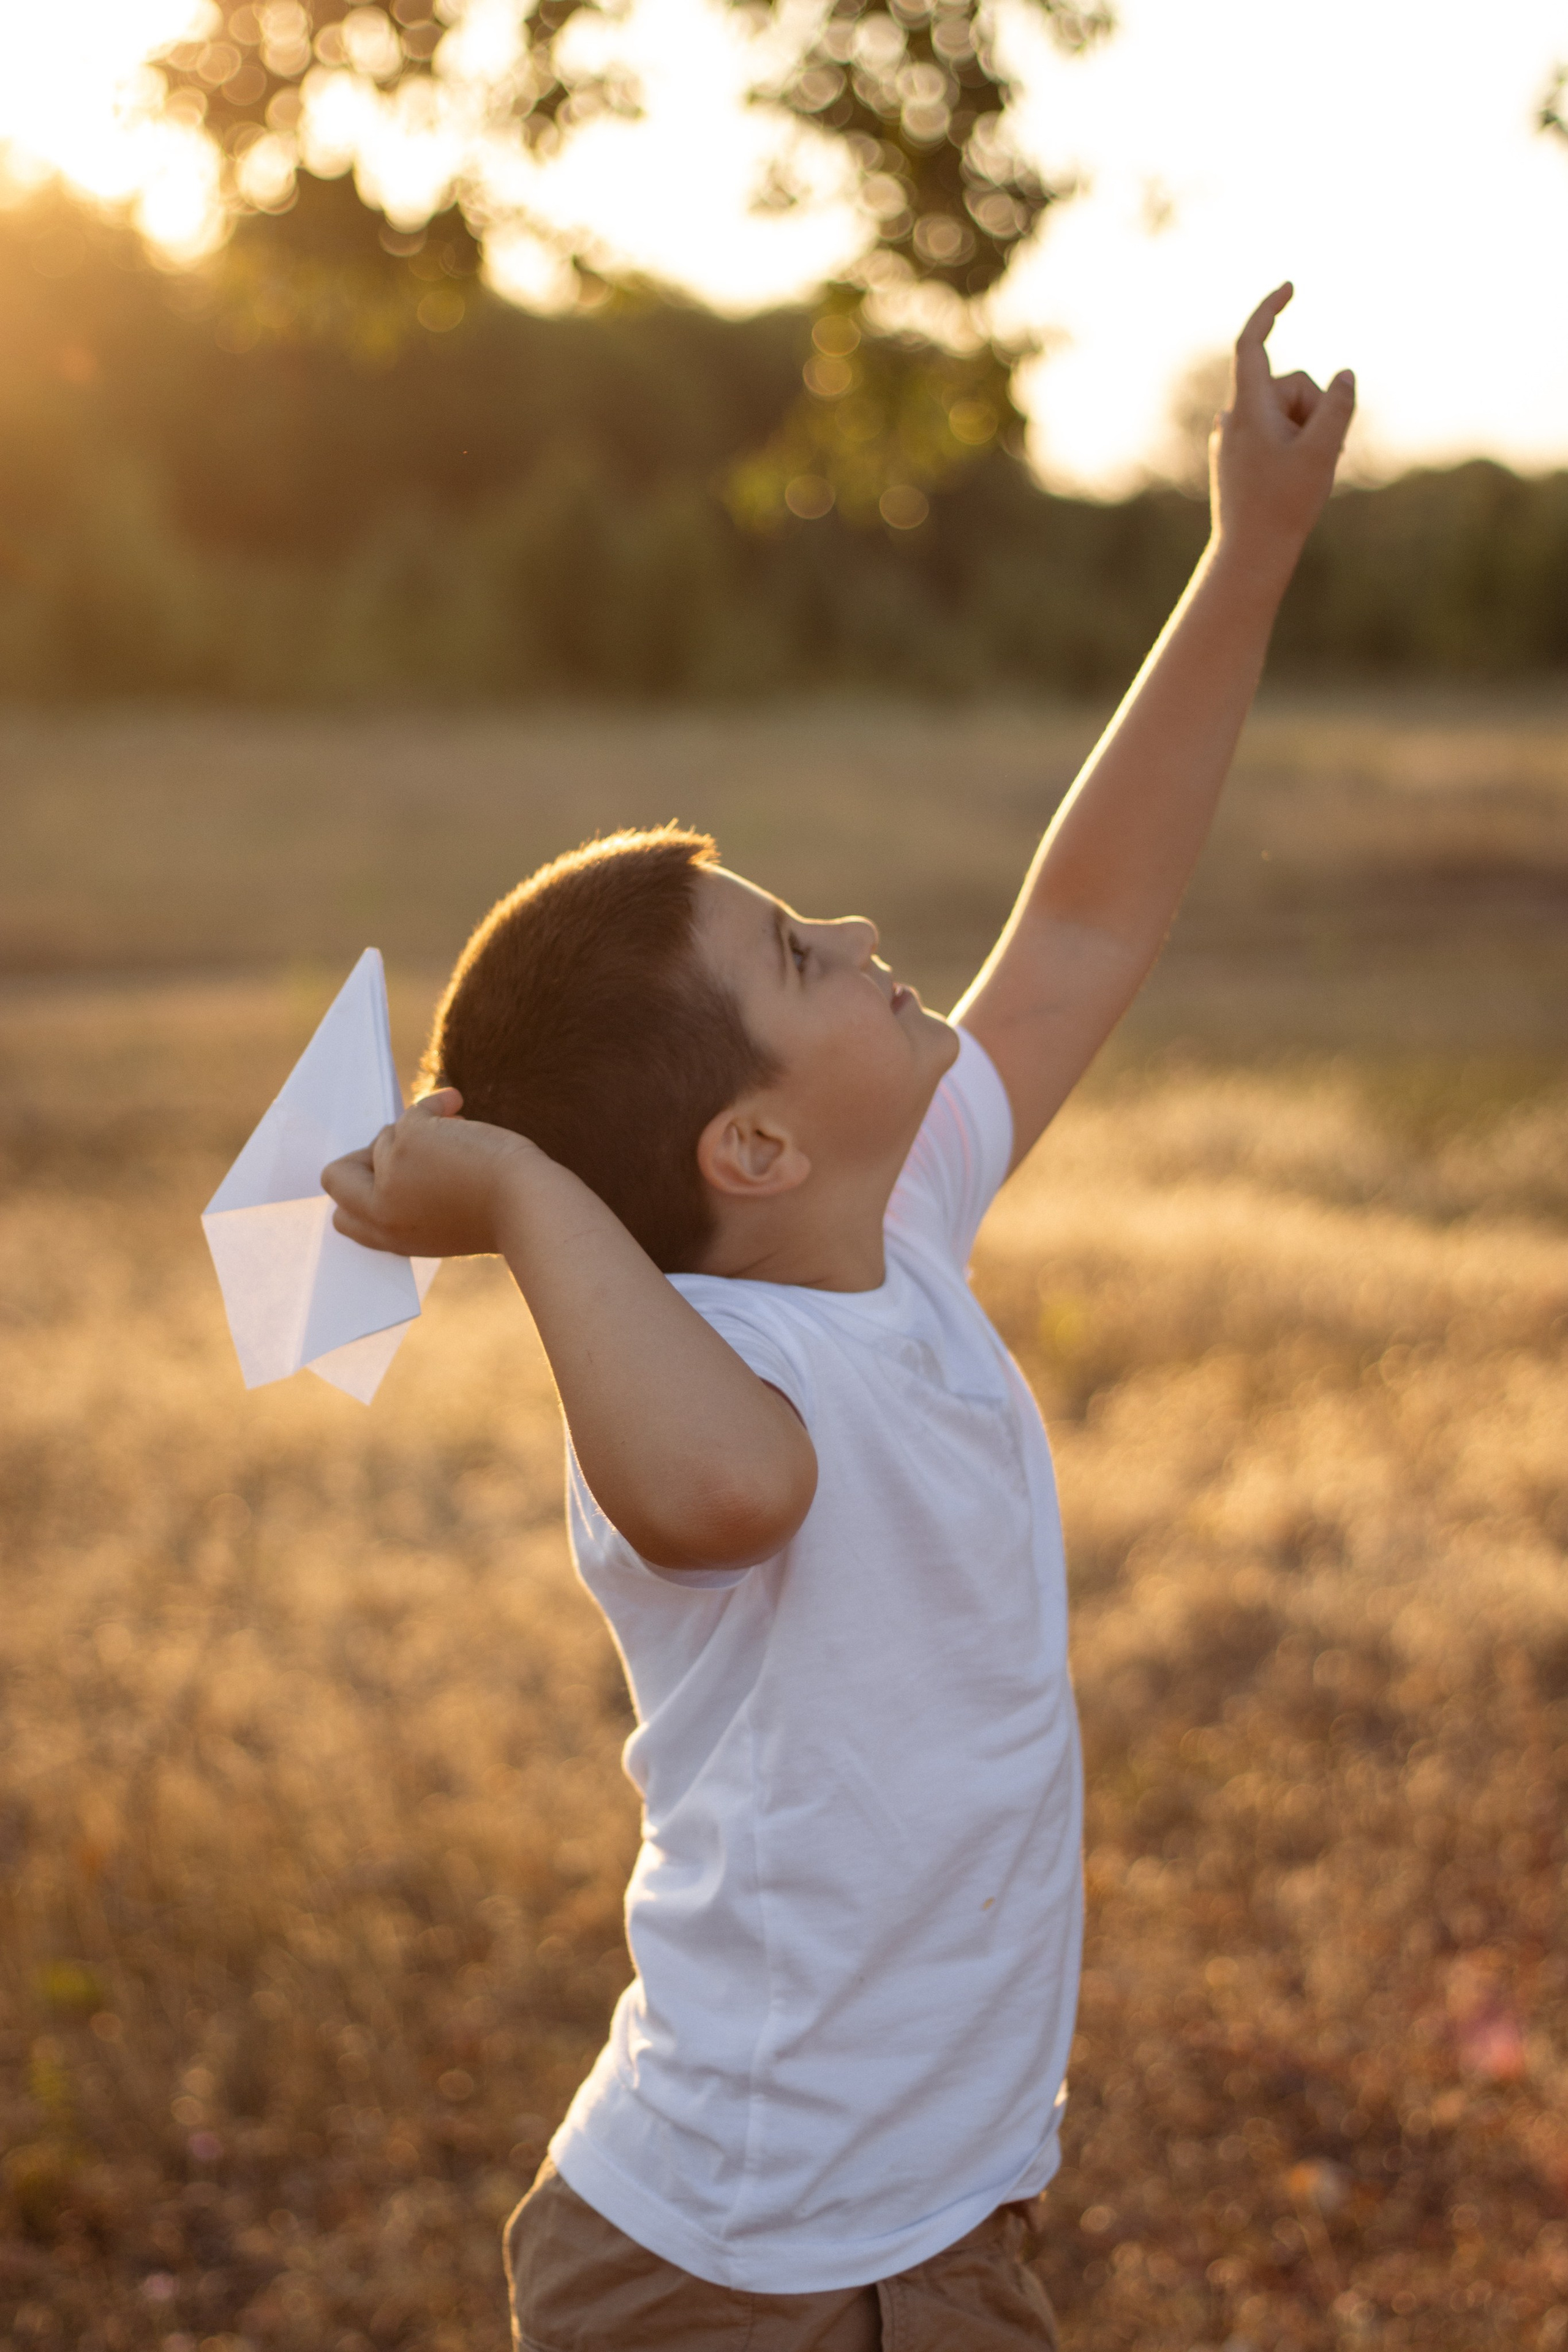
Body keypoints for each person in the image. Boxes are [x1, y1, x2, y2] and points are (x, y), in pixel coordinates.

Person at [323, 285, 1355, 2350]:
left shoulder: (904, 1233)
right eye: (804, 952)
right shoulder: (712, 1390)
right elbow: (725, 1495)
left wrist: (1245, 560)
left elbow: (1079, 925)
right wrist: (518, 1194)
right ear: (754, 1153)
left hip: (952, 2230)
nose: (872, 938)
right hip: (716, 2269)